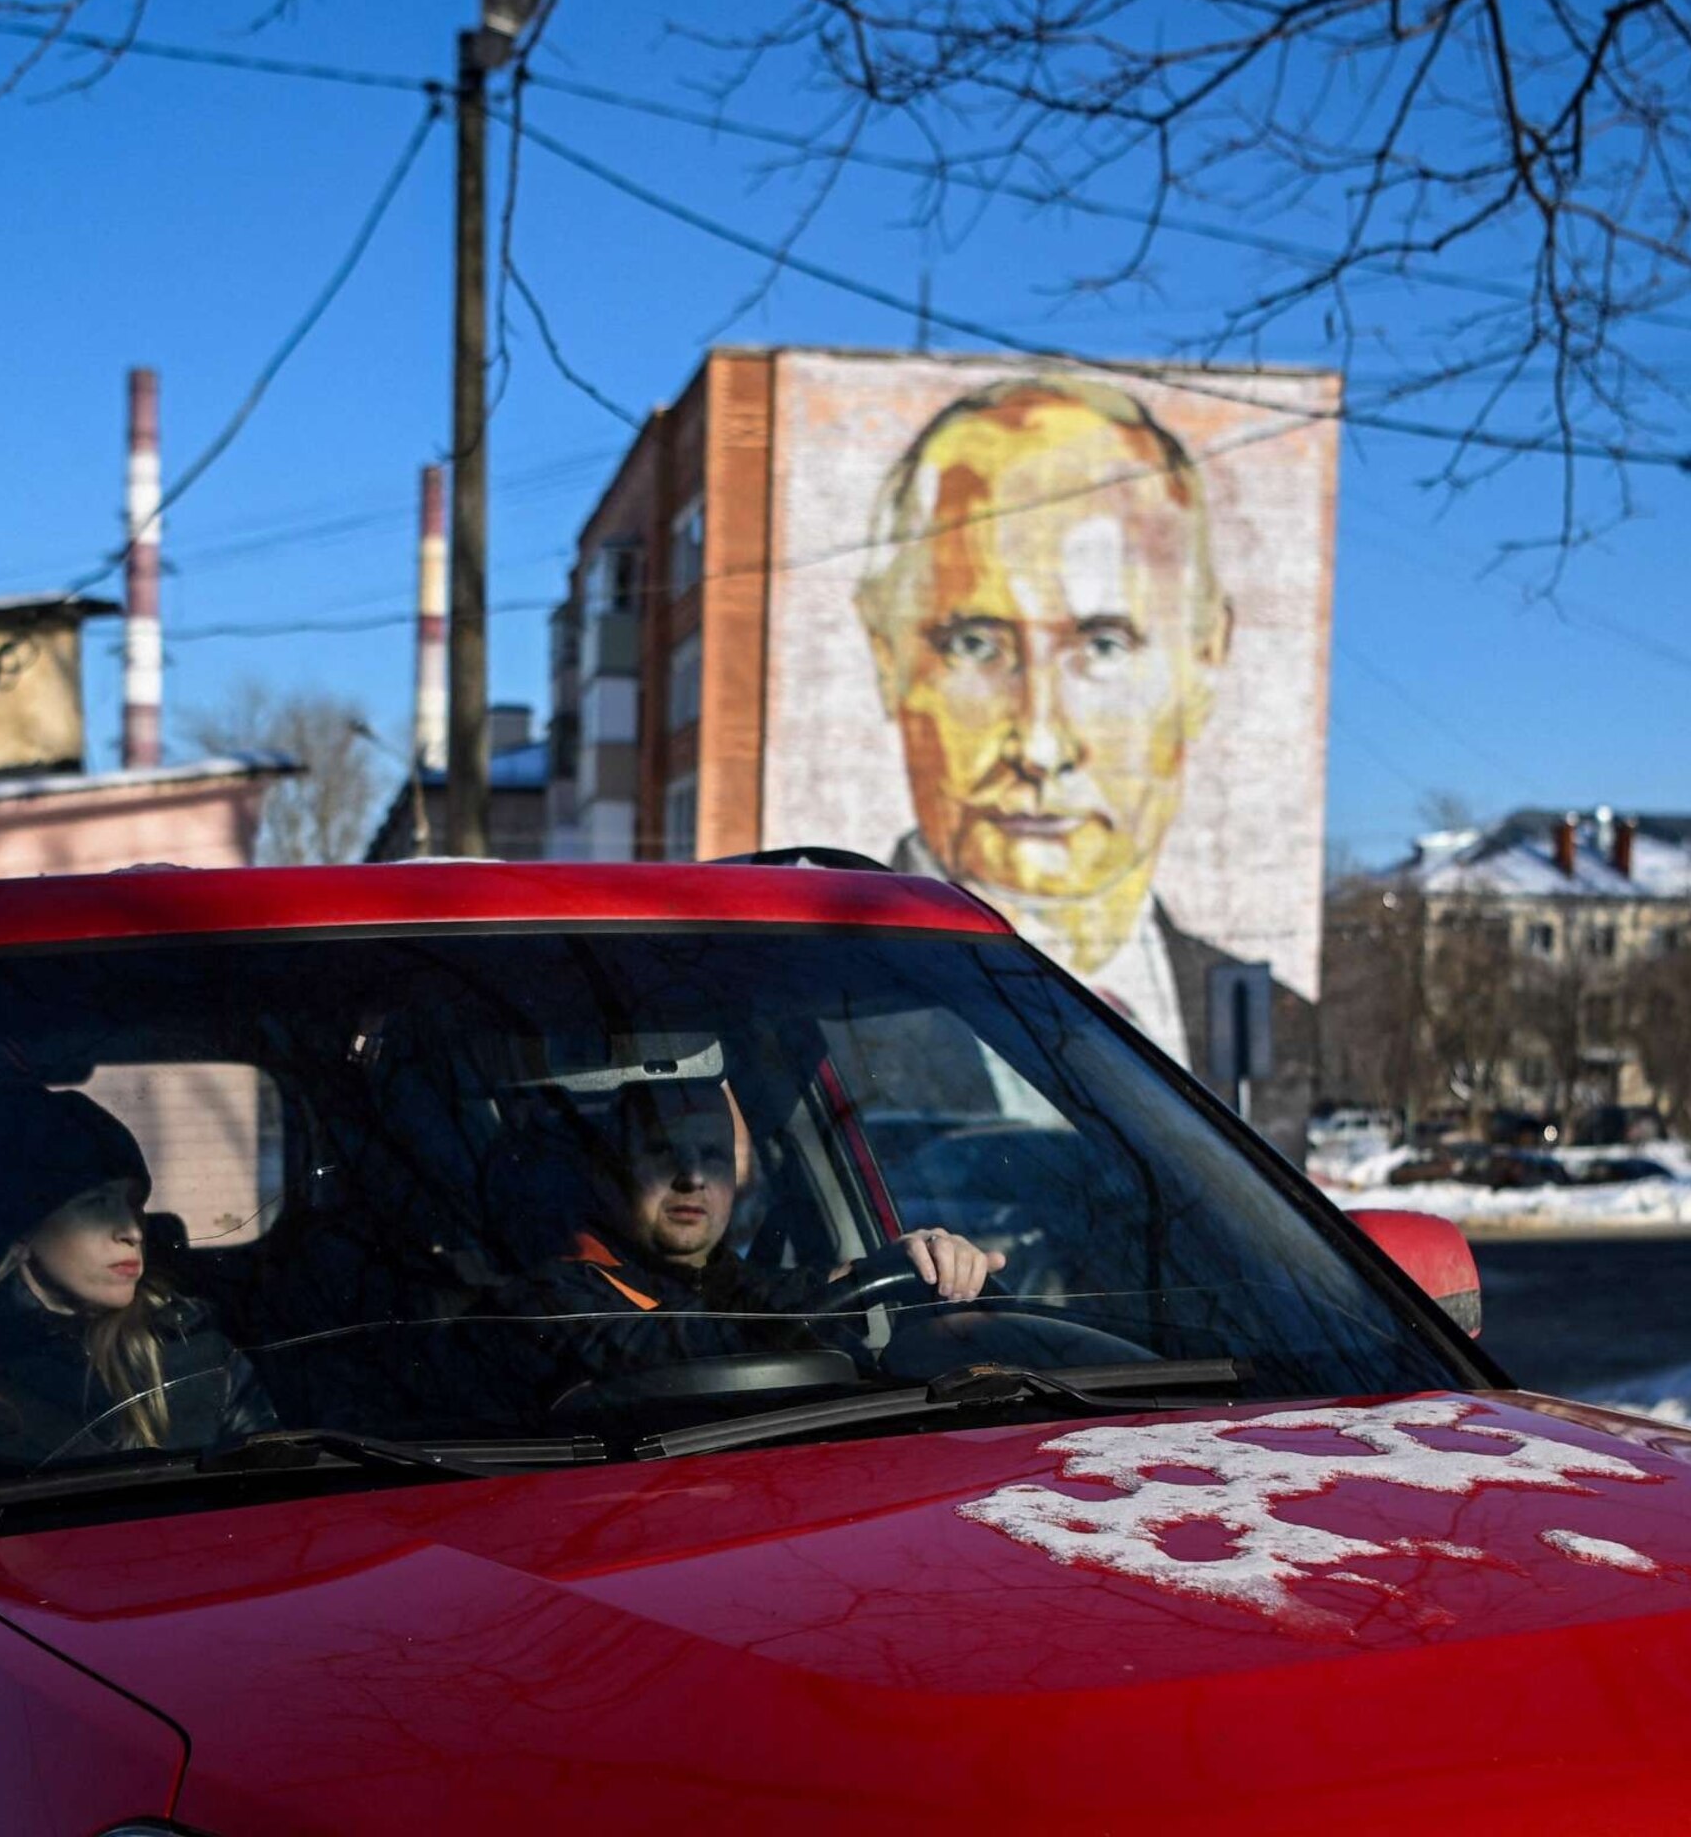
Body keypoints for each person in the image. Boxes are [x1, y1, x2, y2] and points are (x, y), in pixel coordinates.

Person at [849, 376, 1306, 1094]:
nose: (1037, 746)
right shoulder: (810, 1019)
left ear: (1207, 658)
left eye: (1102, 647)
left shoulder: (1284, 1034)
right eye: (974, 644)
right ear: (887, 657)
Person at [511, 1079, 1005, 1399]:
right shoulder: (546, 1299)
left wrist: (928, 1263)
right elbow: (678, 1341)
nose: (693, 1177)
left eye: (715, 1157)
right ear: (609, 1175)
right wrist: (851, 1280)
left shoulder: (737, 1283)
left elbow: (777, 1298)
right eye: (663, 1153)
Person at [0, 1084, 276, 1465]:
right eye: (97, 1203)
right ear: (23, 1228)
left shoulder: (196, 1354)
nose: (133, 1231)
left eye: (134, 1203)